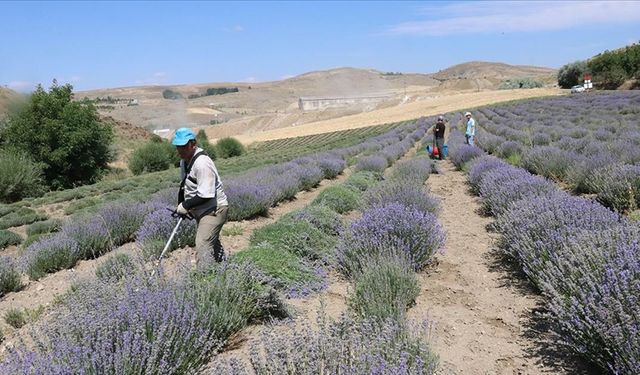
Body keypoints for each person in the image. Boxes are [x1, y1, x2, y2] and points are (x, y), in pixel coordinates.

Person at [172, 127, 229, 268]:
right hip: (202, 210)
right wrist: (183, 206)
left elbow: (206, 194)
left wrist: (185, 206)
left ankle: (205, 280)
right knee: (213, 246)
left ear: (193, 144)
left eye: (183, 146)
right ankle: (225, 271)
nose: (180, 150)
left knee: (203, 246)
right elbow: (185, 186)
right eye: (178, 146)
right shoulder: (184, 162)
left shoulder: (202, 163)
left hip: (214, 210)